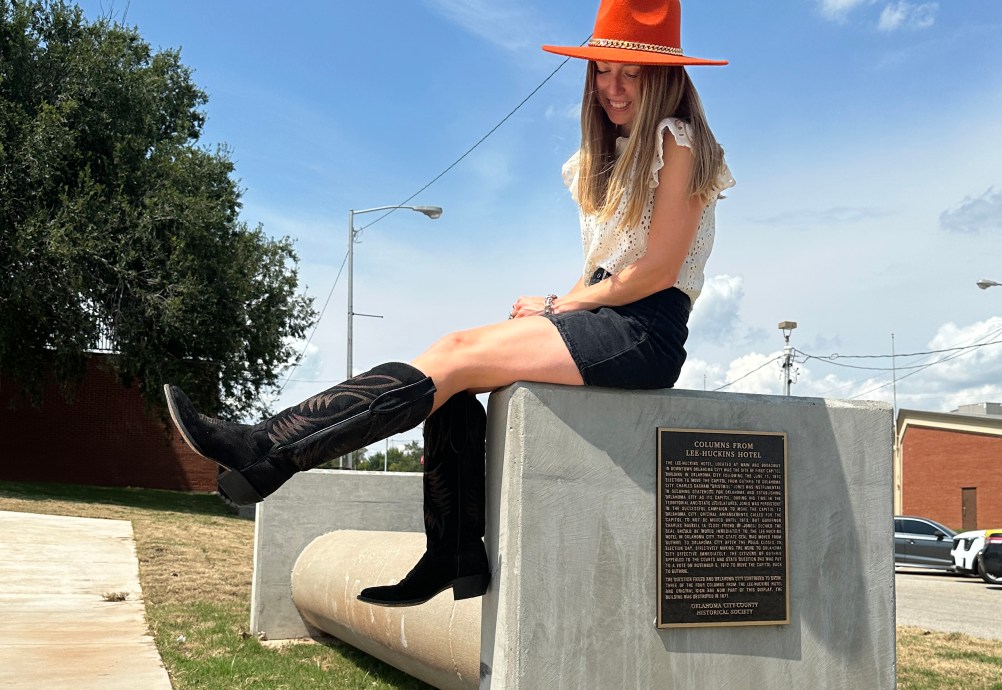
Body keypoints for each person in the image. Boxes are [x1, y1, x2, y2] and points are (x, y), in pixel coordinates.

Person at [164, 0, 733, 607]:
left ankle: (267, 448)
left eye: (630, 74)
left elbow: (657, 270)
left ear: (665, 77)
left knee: (457, 354)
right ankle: (453, 550)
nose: (611, 89)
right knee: (450, 362)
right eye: (601, 71)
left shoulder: (681, 142)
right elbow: (611, 266)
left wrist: (557, 305)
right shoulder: (616, 153)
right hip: (610, 317)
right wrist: (560, 302)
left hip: (645, 331)